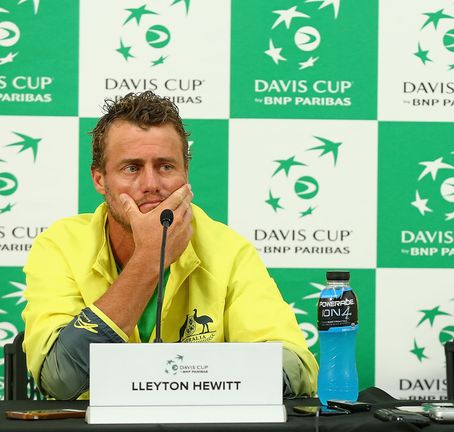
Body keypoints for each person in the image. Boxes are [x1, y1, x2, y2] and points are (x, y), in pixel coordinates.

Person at [22, 91, 318, 400]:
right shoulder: (60, 245)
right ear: (100, 180)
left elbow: (294, 367)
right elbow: (60, 380)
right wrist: (150, 259)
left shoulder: (228, 250)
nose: (151, 184)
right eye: (131, 168)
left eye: (165, 166)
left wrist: (182, 380)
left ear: (185, 174)